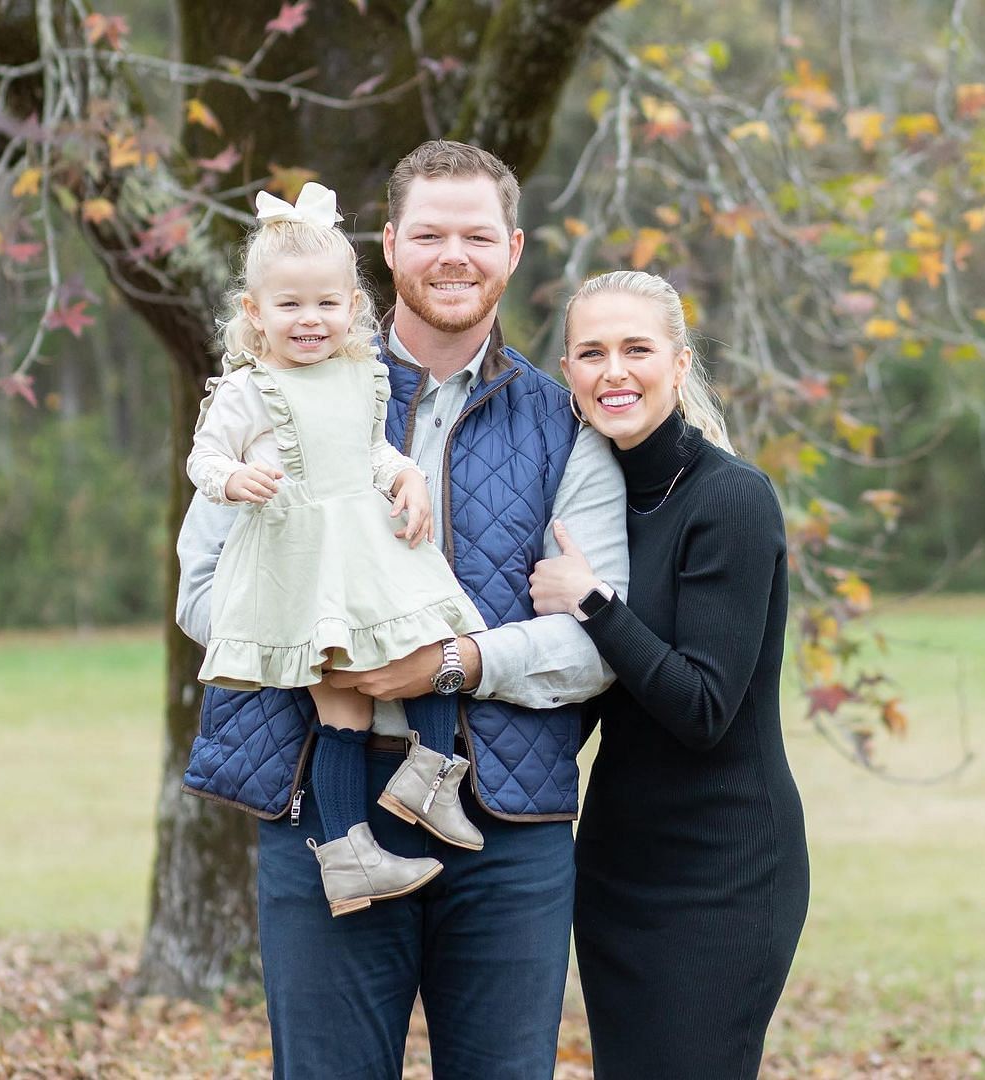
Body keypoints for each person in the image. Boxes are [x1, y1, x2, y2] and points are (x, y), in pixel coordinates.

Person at [175, 141, 629, 1079]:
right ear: (388, 245)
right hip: (320, 807)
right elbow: (200, 593)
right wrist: (319, 643)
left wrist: (448, 665)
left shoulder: (566, 424)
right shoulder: (279, 392)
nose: (451, 255)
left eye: (475, 235)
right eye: (428, 233)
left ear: (511, 248)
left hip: (505, 818)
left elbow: (595, 641)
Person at [530, 270, 810, 1079]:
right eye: (591, 353)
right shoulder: (593, 499)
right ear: (569, 373)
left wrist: (594, 603)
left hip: (724, 871)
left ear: (679, 365)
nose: (613, 371)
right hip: (617, 868)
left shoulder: (732, 499)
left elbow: (703, 707)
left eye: (636, 349)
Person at [186, 181, 489, 917]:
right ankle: (349, 854)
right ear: (255, 314)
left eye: (326, 303)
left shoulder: (364, 375)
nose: (310, 320)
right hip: (301, 566)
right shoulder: (248, 388)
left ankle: (429, 771)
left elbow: (372, 454)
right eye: (289, 306)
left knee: (429, 631)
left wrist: (407, 473)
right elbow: (203, 460)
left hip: (368, 547)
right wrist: (236, 478)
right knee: (342, 709)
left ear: (353, 306)